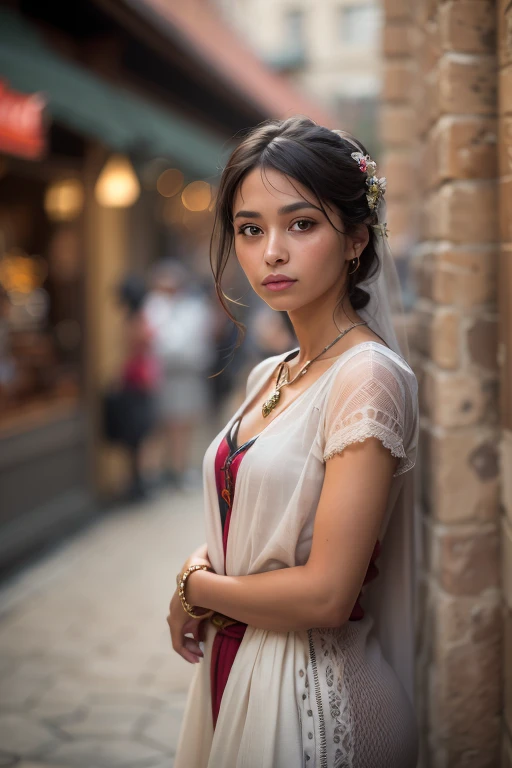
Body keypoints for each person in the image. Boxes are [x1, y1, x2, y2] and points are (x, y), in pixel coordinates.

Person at [167, 116, 420, 768]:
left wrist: (197, 589)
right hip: (237, 667)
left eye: (301, 224)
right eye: (250, 229)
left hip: (315, 704)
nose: (271, 251)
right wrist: (206, 561)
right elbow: (250, 521)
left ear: (356, 239)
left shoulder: (366, 378)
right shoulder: (268, 375)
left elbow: (326, 595)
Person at [144, 259, 216, 490]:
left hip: (186, 375)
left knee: (184, 424)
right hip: (159, 375)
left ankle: (180, 469)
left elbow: (191, 341)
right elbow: (162, 344)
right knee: (157, 425)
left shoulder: (192, 307)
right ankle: (156, 473)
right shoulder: (153, 306)